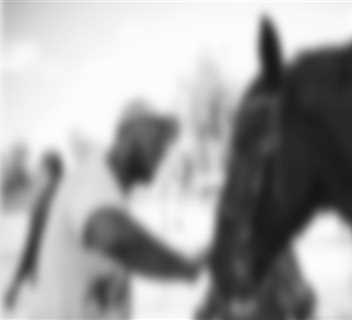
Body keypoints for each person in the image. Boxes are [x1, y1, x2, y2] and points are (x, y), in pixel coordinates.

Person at [3, 102, 203, 318]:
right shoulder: (93, 178)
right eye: (156, 136)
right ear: (127, 135)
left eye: (166, 142)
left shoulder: (111, 192)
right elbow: (113, 235)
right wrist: (185, 268)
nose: (162, 149)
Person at [4, 151, 64, 309]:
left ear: (48, 172)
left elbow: (32, 245)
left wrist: (15, 285)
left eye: (40, 170)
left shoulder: (44, 202)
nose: (36, 175)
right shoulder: (66, 196)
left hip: (49, 280)